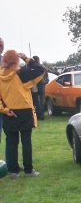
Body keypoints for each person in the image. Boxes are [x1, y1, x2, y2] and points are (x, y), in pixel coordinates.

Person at [0, 50, 46, 178]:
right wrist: (26, 58)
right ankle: (28, 170)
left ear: (4, 61)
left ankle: (13, 171)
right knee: (26, 141)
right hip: (24, 110)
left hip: (9, 111)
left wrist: (4, 110)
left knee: (11, 142)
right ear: (16, 61)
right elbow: (41, 70)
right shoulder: (21, 74)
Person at [30, 56, 48, 120]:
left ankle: (39, 115)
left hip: (36, 86)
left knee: (37, 102)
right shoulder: (43, 67)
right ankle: (41, 115)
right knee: (40, 102)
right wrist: (45, 82)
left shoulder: (32, 67)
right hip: (39, 86)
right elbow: (46, 78)